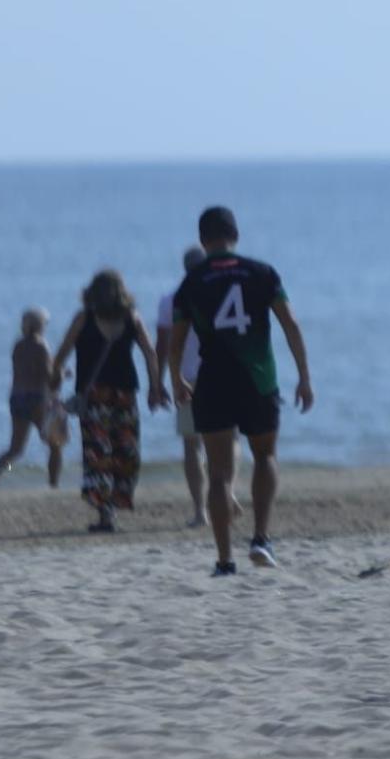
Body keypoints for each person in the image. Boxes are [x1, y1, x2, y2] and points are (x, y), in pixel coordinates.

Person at [169, 206, 314, 577]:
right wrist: (304, 376)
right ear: (236, 235)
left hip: (214, 381)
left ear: (203, 239)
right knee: (265, 456)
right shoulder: (261, 273)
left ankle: (223, 560)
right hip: (258, 379)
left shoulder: (192, 281)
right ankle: (261, 539)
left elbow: (177, 339)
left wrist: (174, 380)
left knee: (218, 473)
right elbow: (290, 324)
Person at [48, 271, 165, 531]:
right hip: (125, 394)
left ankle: (105, 513)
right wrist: (155, 387)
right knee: (125, 448)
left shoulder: (83, 319)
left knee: (98, 451)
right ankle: (114, 505)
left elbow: (61, 356)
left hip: (94, 396)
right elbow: (150, 354)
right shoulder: (132, 319)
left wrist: (54, 382)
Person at [157, 245, 240, 529]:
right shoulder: (223, 296)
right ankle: (227, 492)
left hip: (186, 378)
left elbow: (164, 346)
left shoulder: (170, 300)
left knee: (192, 445)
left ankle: (200, 511)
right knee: (230, 439)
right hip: (221, 373)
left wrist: (159, 380)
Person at [0, 308, 64, 489]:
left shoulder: (18, 345)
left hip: (17, 398)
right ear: (40, 326)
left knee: (15, 449)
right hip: (37, 399)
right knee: (54, 443)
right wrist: (61, 374)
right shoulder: (42, 346)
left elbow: (23, 371)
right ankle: (53, 485)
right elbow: (48, 378)